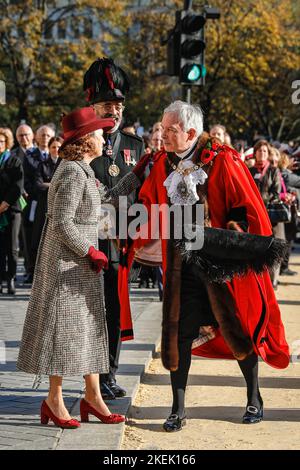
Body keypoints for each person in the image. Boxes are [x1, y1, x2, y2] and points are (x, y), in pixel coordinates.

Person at [118, 101, 289, 432]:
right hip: (180, 263)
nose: (162, 135)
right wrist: (127, 233)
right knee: (178, 335)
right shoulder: (160, 164)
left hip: (218, 263)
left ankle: (254, 397)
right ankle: (178, 408)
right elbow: (148, 203)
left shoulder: (222, 159)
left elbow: (245, 207)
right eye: (162, 128)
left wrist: (233, 246)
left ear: (191, 133)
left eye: (170, 130)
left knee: (236, 329)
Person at [17, 108, 127, 428]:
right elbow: (62, 222)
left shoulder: (83, 169)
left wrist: (139, 172)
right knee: (62, 335)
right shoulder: (70, 171)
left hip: (81, 269)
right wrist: (90, 250)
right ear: (84, 139)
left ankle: (93, 396)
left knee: (88, 331)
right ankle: (54, 400)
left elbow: (100, 203)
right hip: (65, 268)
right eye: (97, 133)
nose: (103, 138)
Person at [83, 57, 145, 400]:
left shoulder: (136, 147)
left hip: (121, 244)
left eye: (118, 104)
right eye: (108, 103)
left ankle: (110, 374)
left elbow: (143, 196)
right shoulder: (80, 143)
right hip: (89, 242)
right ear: (93, 105)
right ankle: (91, 377)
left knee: (115, 310)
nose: (115, 109)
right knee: (89, 313)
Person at [249, 141, 283, 289]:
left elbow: (276, 193)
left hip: (270, 214)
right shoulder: (249, 170)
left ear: (268, 154)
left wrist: (261, 201)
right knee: (257, 248)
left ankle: (273, 280)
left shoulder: (274, 171)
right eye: (259, 151)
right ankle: (259, 280)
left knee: (274, 247)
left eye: (264, 151)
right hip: (253, 214)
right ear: (255, 153)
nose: (262, 153)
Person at [31, 136, 63, 269]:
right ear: (49, 149)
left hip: (60, 206)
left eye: (59, 147)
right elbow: (38, 185)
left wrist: (48, 184)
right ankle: (35, 268)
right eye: (53, 147)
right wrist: (56, 185)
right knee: (39, 238)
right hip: (44, 205)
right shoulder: (42, 165)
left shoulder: (65, 164)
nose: (56, 150)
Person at [0, 128, 24, 295]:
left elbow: (18, 185)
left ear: (7, 142)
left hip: (12, 209)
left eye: (1, 141)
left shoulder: (14, 160)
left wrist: (5, 203)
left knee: (13, 248)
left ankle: (11, 279)